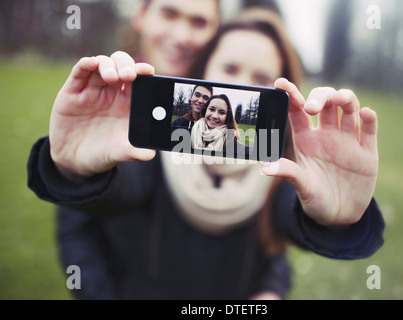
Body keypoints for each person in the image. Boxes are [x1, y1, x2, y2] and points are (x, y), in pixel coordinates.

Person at [27, 7, 384, 300]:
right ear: (202, 73)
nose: (242, 84)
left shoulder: (281, 167)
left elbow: (284, 230)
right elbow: (115, 191)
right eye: (229, 69)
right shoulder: (152, 144)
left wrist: (335, 220)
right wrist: (73, 170)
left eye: (262, 76)